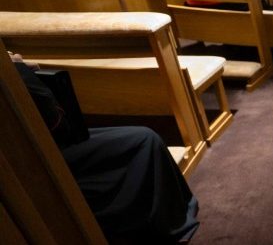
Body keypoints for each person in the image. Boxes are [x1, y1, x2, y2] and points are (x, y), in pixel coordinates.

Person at [11, 53, 199, 243]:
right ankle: (167, 224)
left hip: (29, 147)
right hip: (34, 155)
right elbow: (56, 122)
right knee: (145, 140)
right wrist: (18, 69)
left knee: (138, 138)